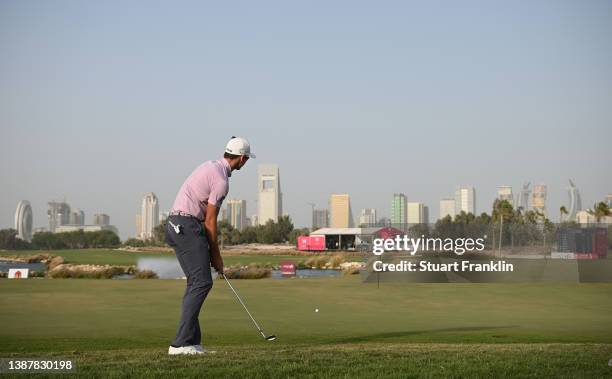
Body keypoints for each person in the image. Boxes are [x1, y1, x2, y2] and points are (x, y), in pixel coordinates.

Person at [165, 137, 255, 355]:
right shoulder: (222, 181)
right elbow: (210, 221)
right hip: (186, 225)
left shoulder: (211, 166)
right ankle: (180, 345)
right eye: (246, 159)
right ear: (242, 159)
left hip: (179, 224)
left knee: (197, 282)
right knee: (202, 283)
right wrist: (216, 255)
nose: (246, 163)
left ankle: (192, 343)